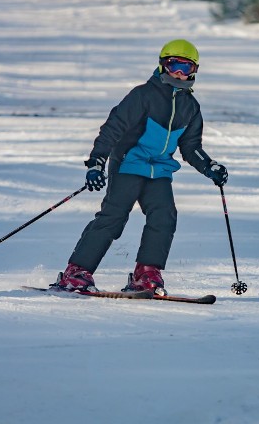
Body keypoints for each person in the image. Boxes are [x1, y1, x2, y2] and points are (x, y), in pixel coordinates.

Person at [51, 39, 228, 295]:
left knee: (164, 216)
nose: (179, 72)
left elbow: (191, 147)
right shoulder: (143, 95)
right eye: (174, 64)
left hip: (159, 171)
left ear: (194, 71)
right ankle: (76, 272)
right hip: (129, 164)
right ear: (162, 65)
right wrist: (97, 162)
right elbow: (113, 128)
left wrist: (210, 166)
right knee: (113, 217)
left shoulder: (191, 107)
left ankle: (146, 274)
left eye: (186, 67)